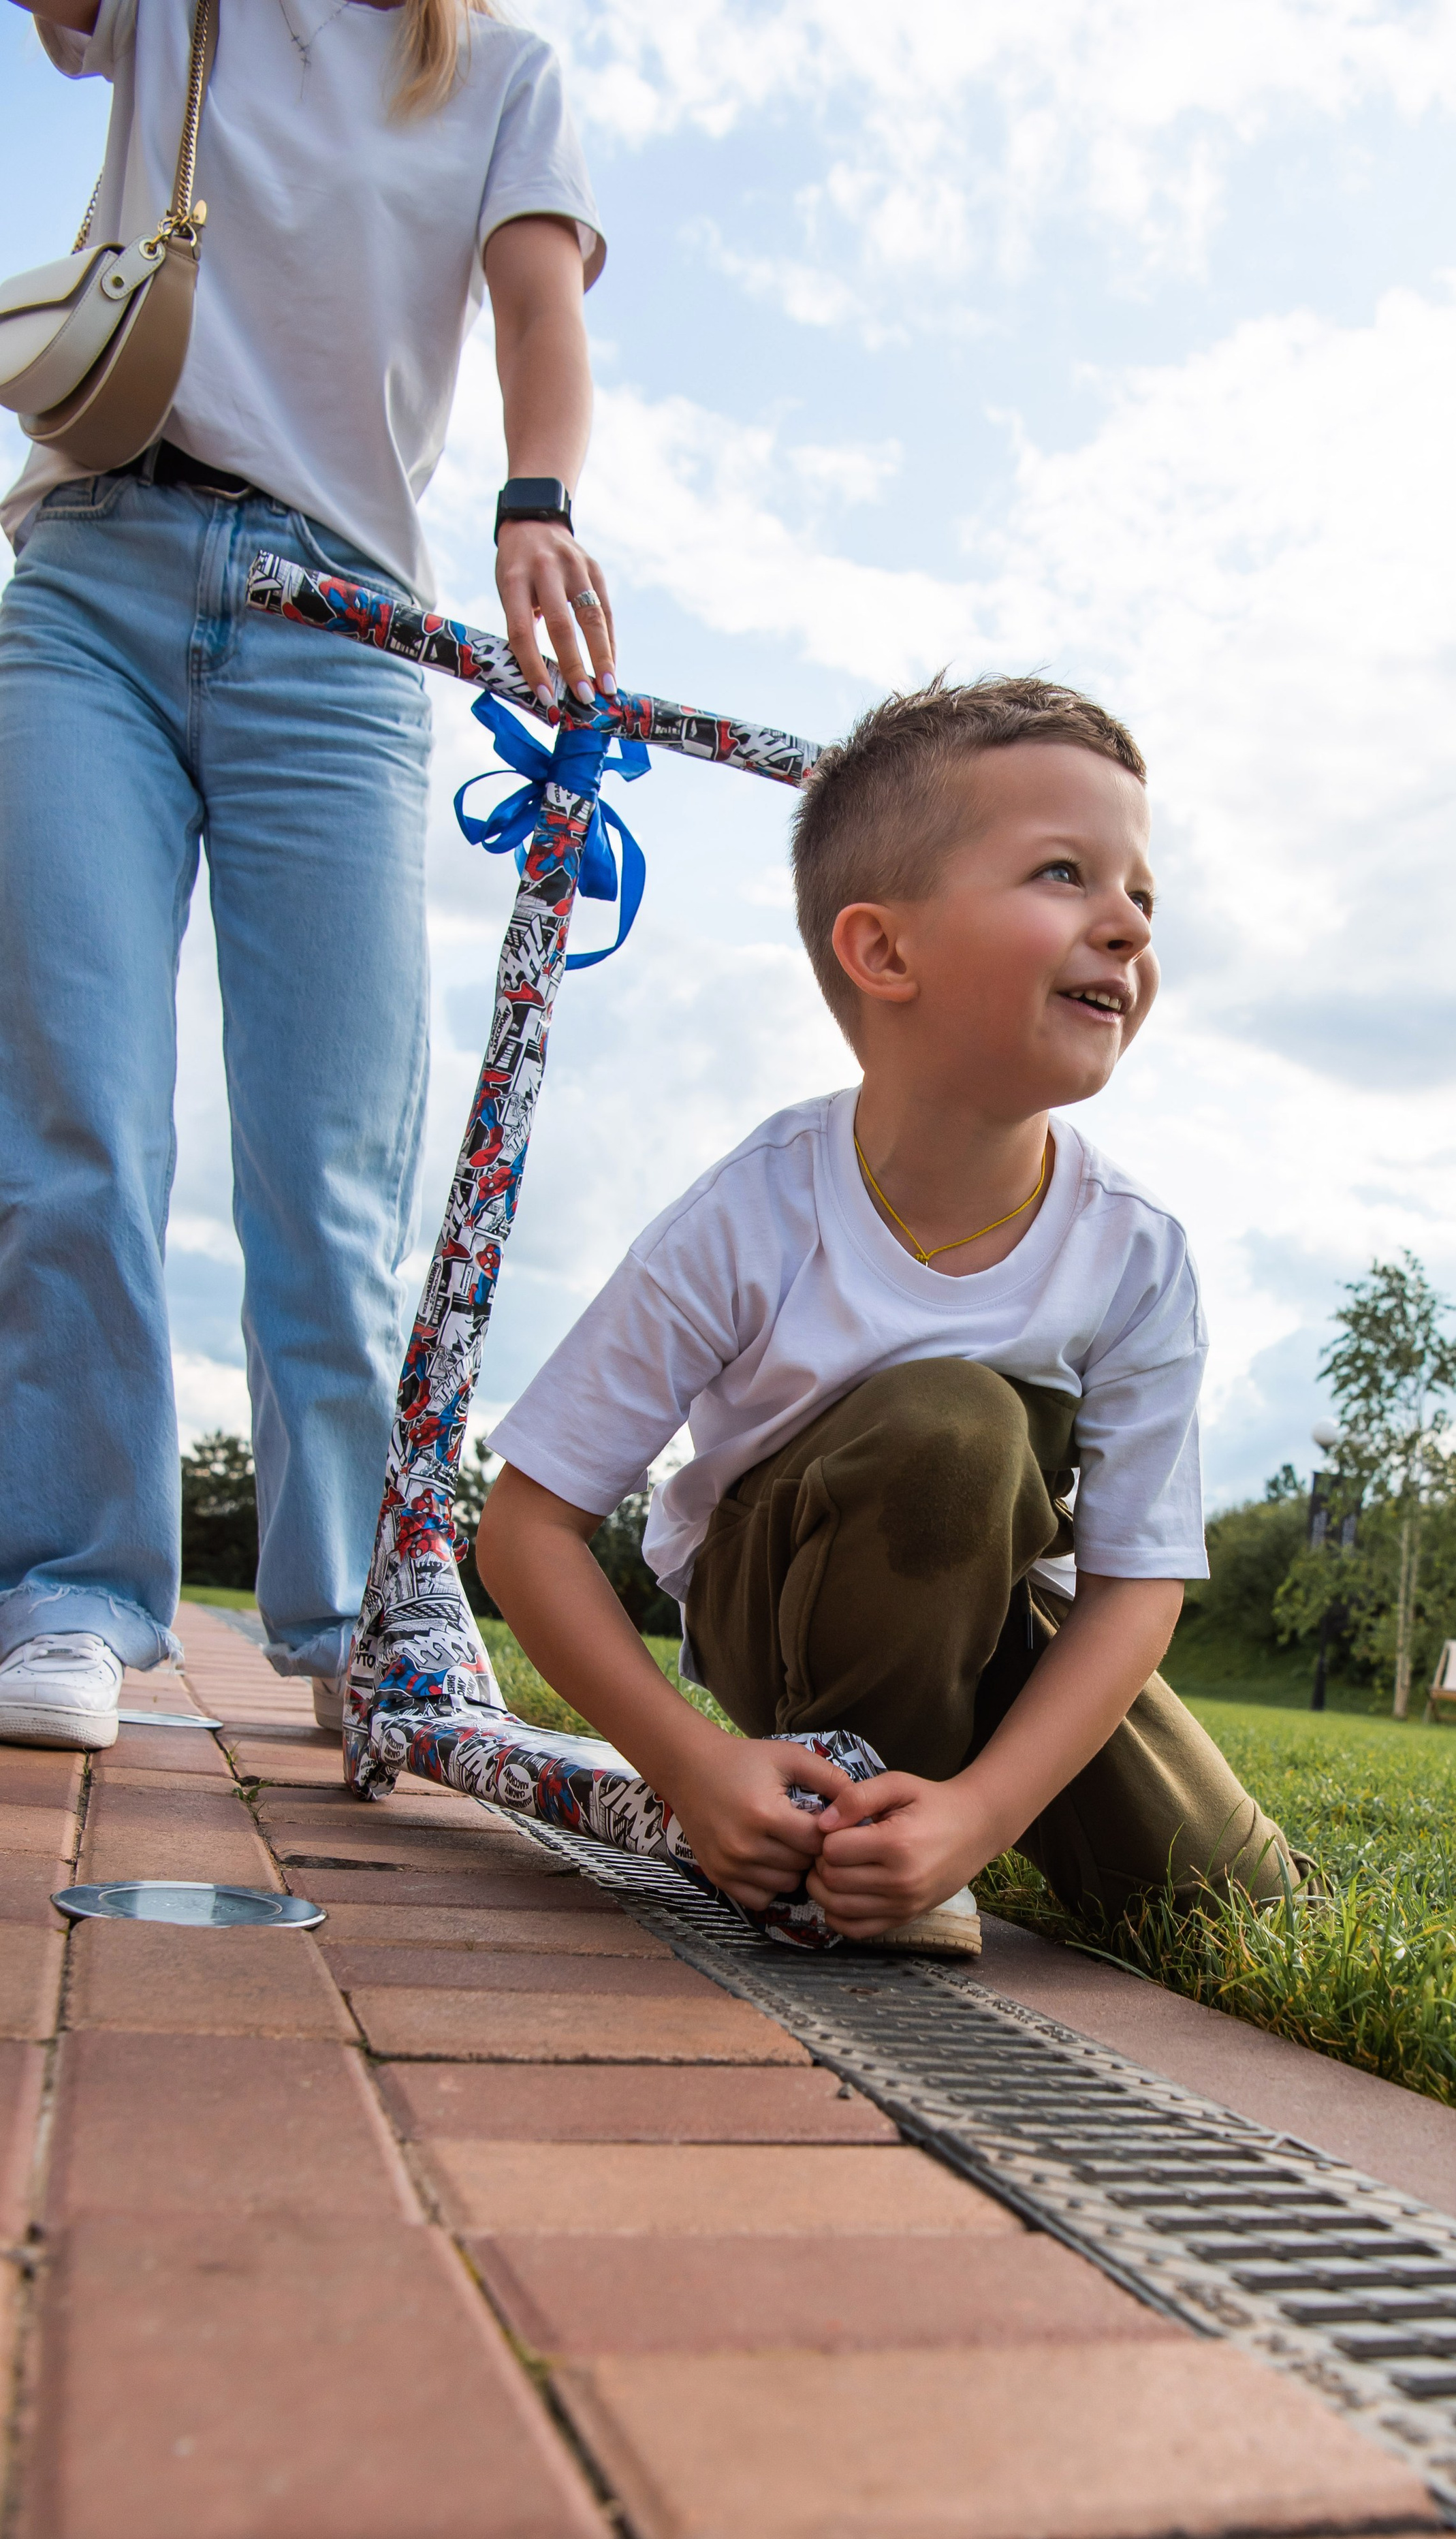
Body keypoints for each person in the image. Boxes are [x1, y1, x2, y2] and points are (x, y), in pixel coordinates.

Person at [0, 0, 615, 1751]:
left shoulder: (498, 72)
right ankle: (66, 1588)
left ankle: (352, 1612)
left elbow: (533, 304)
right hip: (96, 578)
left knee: (331, 1166)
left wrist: (539, 497)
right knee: (73, 1115)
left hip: (341, 629)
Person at [475, 678, 1297, 1952]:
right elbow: (527, 1524)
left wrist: (982, 1812)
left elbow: (1134, 1589)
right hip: (784, 1622)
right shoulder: (757, 1210)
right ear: (884, 951)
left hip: (1008, 1622)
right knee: (955, 1424)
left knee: (1227, 1909)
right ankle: (843, 1836)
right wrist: (692, 1767)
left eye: (1143, 892)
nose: (1128, 927)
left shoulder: (1137, 1253)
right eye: (1066, 875)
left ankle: (926, 1832)